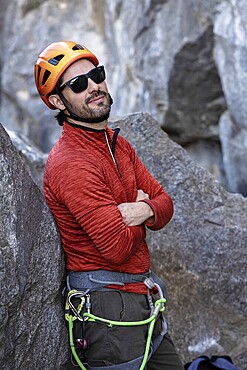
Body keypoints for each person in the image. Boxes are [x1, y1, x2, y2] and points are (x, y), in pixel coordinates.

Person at [34, 41, 184, 370]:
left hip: (140, 299)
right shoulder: (71, 163)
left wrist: (140, 211)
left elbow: (166, 205)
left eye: (96, 75)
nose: (93, 86)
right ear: (58, 101)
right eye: (78, 84)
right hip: (109, 313)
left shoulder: (118, 145)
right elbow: (116, 247)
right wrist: (144, 212)